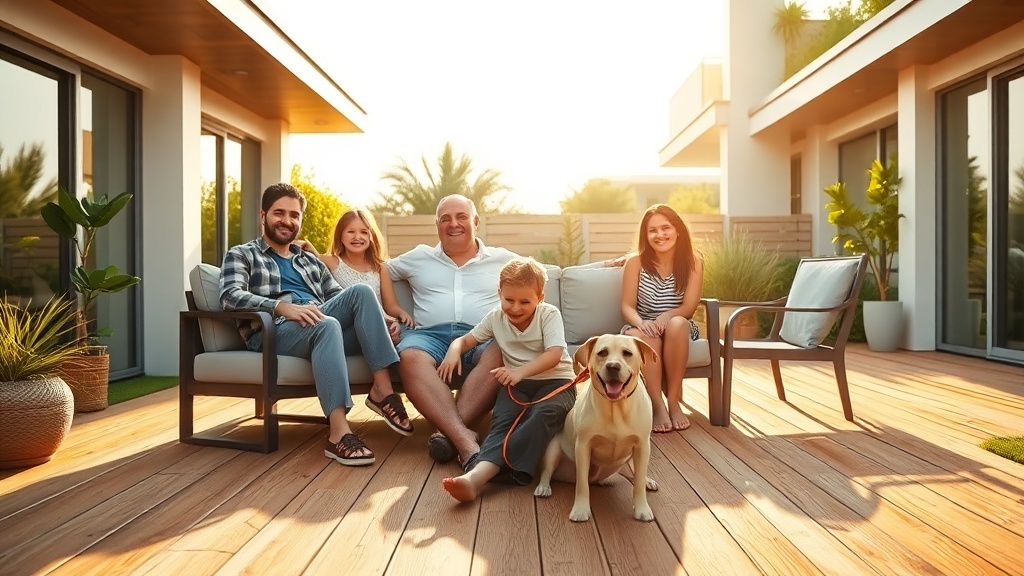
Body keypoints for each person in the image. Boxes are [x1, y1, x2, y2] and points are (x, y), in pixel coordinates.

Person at [219, 183, 411, 468]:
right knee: (327, 324)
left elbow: (339, 297)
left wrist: (380, 320)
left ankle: (382, 391)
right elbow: (230, 296)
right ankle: (339, 434)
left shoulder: (309, 261)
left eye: (294, 215)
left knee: (360, 293)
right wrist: (281, 307)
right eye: (279, 213)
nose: (287, 221)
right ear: (263, 215)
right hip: (275, 331)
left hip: (319, 324)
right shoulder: (242, 254)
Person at [387, 194, 517, 467]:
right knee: (409, 357)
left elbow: (546, 273)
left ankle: (450, 437)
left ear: (475, 222)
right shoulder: (419, 256)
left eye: (461, 217)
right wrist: (391, 310)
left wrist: (610, 265)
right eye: (445, 219)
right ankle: (465, 441)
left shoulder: (503, 259)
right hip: (428, 335)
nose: (453, 224)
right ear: (437, 225)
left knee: (504, 349)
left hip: (482, 335)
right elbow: (376, 268)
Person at [437, 257, 576, 502]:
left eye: (525, 302)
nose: (515, 308)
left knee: (542, 414)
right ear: (499, 293)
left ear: (540, 298)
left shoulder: (549, 314)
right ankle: (481, 477)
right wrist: (453, 350)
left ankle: (480, 475)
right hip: (517, 385)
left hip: (557, 383)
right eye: (509, 300)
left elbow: (554, 354)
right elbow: (466, 340)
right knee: (502, 421)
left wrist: (519, 371)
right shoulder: (495, 317)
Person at [620, 204, 703, 433]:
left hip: (679, 322)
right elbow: (627, 306)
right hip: (642, 324)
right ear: (645, 236)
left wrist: (668, 315)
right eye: (652, 230)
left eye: (665, 228)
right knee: (647, 337)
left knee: (677, 324)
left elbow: (689, 308)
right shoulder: (635, 263)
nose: (660, 235)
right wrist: (642, 323)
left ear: (678, 230)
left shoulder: (694, 263)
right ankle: (657, 405)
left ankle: (673, 402)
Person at [296, 209, 415, 345]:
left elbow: (391, 306)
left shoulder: (380, 268)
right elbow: (315, 261)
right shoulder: (331, 262)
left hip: (378, 323)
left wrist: (400, 315)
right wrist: (310, 249)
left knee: (400, 332)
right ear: (341, 236)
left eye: (364, 232)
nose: (357, 237)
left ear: (371, 236)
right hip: (347, 328)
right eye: (351, 232)